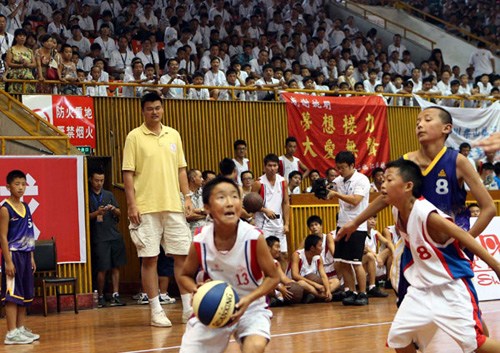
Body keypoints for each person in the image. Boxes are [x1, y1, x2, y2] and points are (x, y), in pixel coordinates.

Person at [338, 106, 495, 306]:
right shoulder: (405, 162)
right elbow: (385, 197)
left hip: (449, 245)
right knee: (408, 309)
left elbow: (489, 208)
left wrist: (465, 241)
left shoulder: (458, 161)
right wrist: (355, 222)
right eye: (417, 122)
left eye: (427, 120)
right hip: (415, 246)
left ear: (446, 128)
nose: (420, 124)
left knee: (465, 313)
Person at [382, 159, 500, 353]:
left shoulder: (426, 214)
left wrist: (495, 265)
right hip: (421, 289)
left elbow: (462, 235)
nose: (382, 184)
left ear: (408, 186)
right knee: (399, 339)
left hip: (450, 287)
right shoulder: (397, 210)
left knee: (475, 343)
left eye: (388, 180)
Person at [178, 176, 280, 353]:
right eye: (221, 197)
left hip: (251, 306)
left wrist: (248, 300)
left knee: (254, 347)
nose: (230, 202)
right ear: (207, 208)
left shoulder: (254, 237)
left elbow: (274, 276)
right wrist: (196, 290)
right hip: (213, 306)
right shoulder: (200, 239)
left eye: (234, 196)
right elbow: (184, 275)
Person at [122, 92, 193, 327]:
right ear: (143, 111)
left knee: (182, 256)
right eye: (150, 108)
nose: (155, 112)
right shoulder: (134, 137)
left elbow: (182, 169)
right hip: (146, 207)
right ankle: (155, 310)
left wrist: (188, 198)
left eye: (158, 108)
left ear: (163, 109)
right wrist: (132, 204)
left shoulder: (174, 134)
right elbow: (128, 174)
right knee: (149, 258)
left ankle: (187, 308)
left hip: (173, 205)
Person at [326, 151, 370, 306]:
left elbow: (355, 201)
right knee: (343, 262)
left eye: (343, 168)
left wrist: (336, 194)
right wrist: (324, 191)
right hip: (342, 225)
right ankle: (350, 291)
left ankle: (363, 293)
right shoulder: (338, 180)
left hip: (357, 226)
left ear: (352, 165)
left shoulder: (362, 180)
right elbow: (328, 189)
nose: (340, 171)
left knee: (356, 262)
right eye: (338, 168)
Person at [0, 170, 40, 345]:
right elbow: (2, 237)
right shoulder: (5, 209)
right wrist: (8, 261)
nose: (21, 187)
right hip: (13, 256)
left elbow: (29, 234)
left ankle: (21, 328)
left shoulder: (26, 207)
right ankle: (11, 333)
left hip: (25, 256)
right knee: (11, 295)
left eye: (23, 184)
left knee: (24, 294)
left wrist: (31, 256)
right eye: (17, 184)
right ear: (8, 186)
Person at [88, 168, 127, 308]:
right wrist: (97, 213)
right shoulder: (87, 195)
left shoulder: (109, 194)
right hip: (99, 236)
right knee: (102, 268)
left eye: (102, 181)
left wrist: (113, 209)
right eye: (97, 180)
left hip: (114, 234)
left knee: (116, 266)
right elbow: (84, 217)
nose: (99, 183)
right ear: (90, 180)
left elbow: (120, 212)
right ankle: (100, 295)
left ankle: (116, 294)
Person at [252, 154, 290, 271]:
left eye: (275, 165)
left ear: (278, 167)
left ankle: (282, 283)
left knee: (283, 255)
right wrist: (264, 210)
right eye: (269, 165)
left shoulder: (283, 181)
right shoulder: (259, 183)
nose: (272, 168)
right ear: (264, 167)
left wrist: (286, 223)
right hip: (263, 223)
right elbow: (251, 203)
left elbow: (285, 203)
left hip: (278, 223)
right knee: (266, 255)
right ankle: (268, 283)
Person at [288, 234, 338, 302]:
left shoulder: (318, 257)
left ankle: (325, 295)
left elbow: (323, 276)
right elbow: (295, 276)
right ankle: (321, 296)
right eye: (320, 246)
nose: (322, 248)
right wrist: (315, 284)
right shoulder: (297, 255)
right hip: (299, 284)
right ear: (312, 248)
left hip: (314, 285)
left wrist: (328, 290)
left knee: (336, 281)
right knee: (302, 283)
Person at [362, 215, 390, 298]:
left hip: (374, 260)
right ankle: (371, 286)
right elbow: (365, 249)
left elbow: (388, 243)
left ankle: (389, 280)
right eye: (370, 219)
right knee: (369, 256)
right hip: (362, 263)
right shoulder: (360, 232)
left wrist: (395, 251)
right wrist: (377, 256)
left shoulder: (375, 232)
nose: (373, 221)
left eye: (375, 219)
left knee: (389, 250)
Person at [5, 28, 36, 93]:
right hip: (15, 77)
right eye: (20, 36)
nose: (22, 37)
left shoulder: (29, 50)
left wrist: (27, 64)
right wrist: (20, 65)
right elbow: (8, 63)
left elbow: (34, 64)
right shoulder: (11, 49)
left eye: (24, 36)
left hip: (28, 77)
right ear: (16, 38)